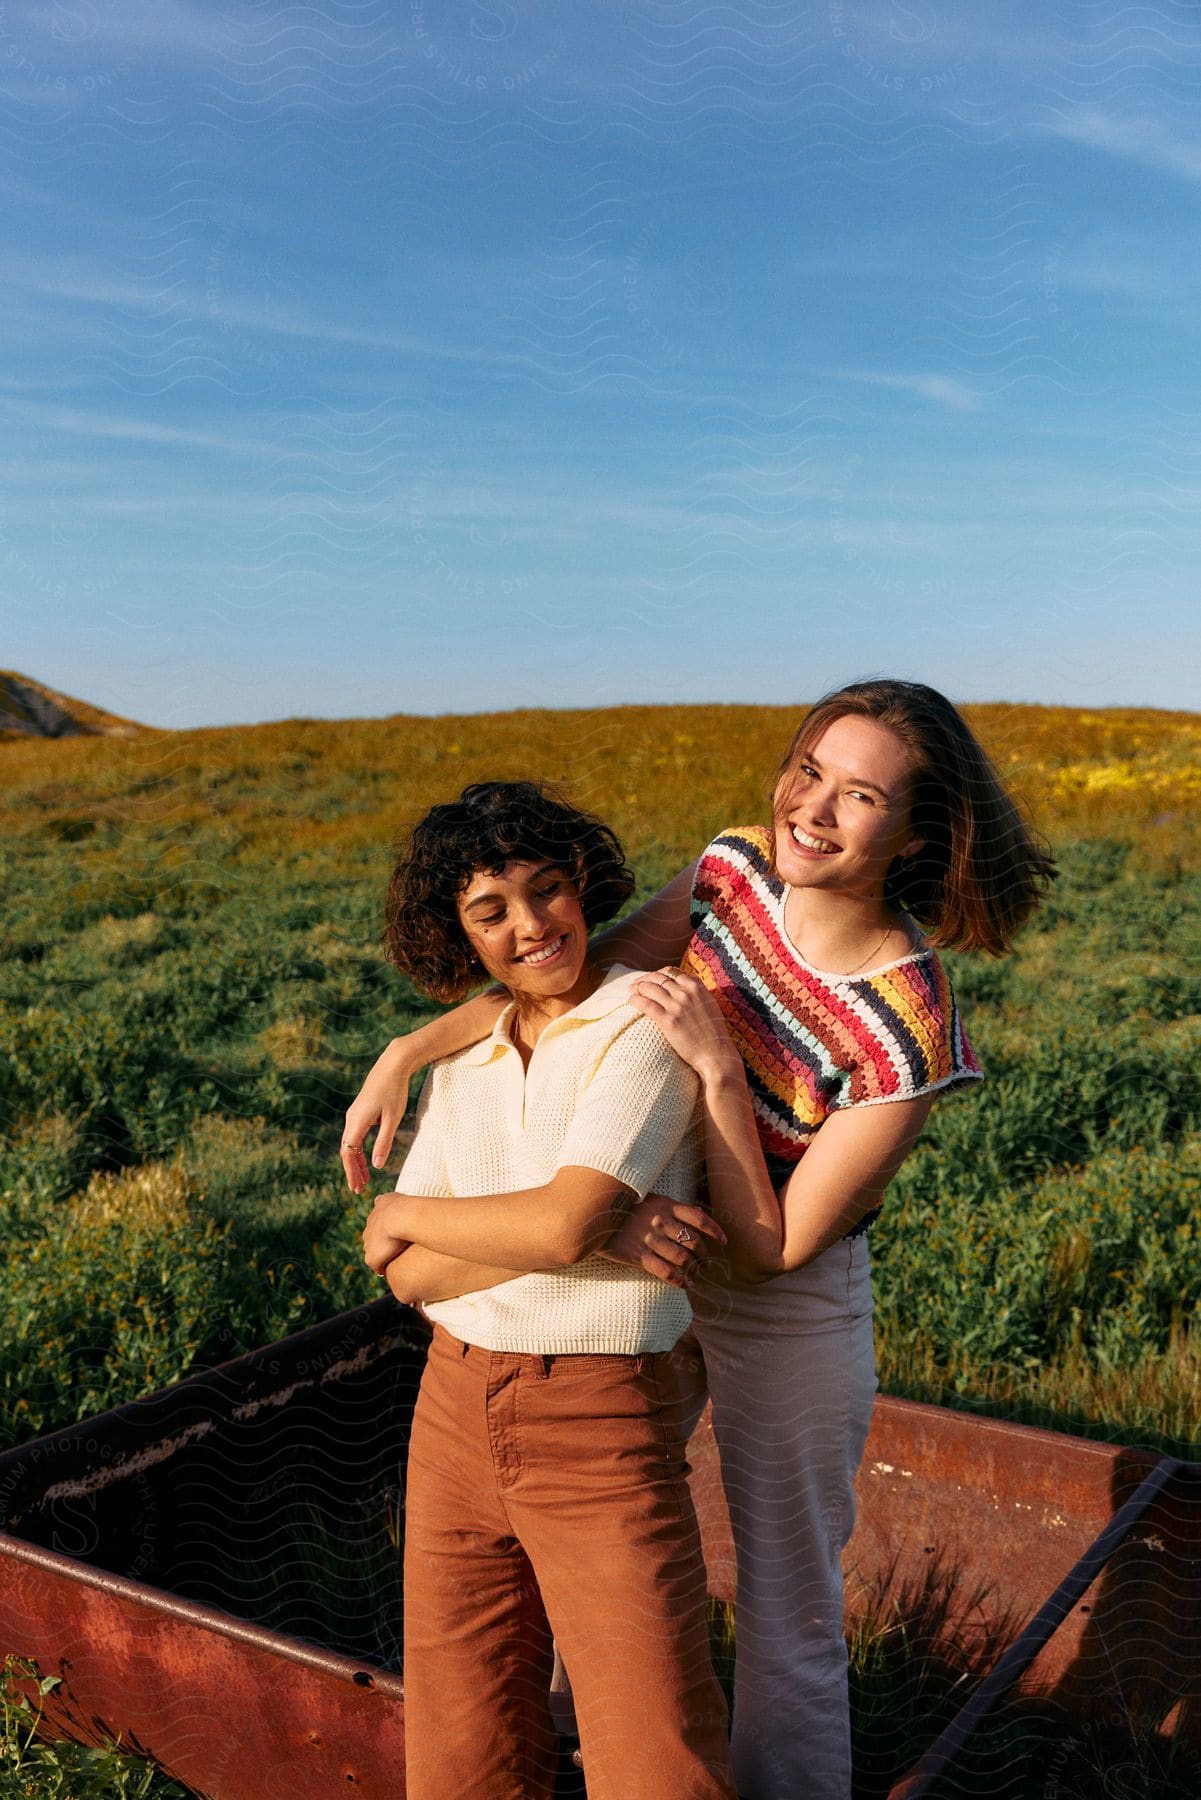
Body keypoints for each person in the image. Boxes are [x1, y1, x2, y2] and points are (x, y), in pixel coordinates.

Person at [346, 683, 1055, 1800]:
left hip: (783, 1296)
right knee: (602, 1554)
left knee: (786, 1598)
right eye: (808, 769)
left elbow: (773, 1247)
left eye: (857, 795)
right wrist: (410, 1047)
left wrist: (720, 1072)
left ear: (915, 835)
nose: (811, 808)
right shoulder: (732, 874)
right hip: (635, 1252)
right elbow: (566, 983)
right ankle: (600, 1760)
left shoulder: (910, 1026)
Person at [357, 780, 778, 1800]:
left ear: (584, 887)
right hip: (451, 1405)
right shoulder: (468, 1056)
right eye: (490, 911)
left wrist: (406, 1213)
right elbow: (407, 1276)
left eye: (547, 890)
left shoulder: (643, 1023)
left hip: (598, 1413)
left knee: (655, 1746)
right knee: (463, 1738)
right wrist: (595, 1232)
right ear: (457, 936)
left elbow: (541, 1221)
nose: (531, 925)